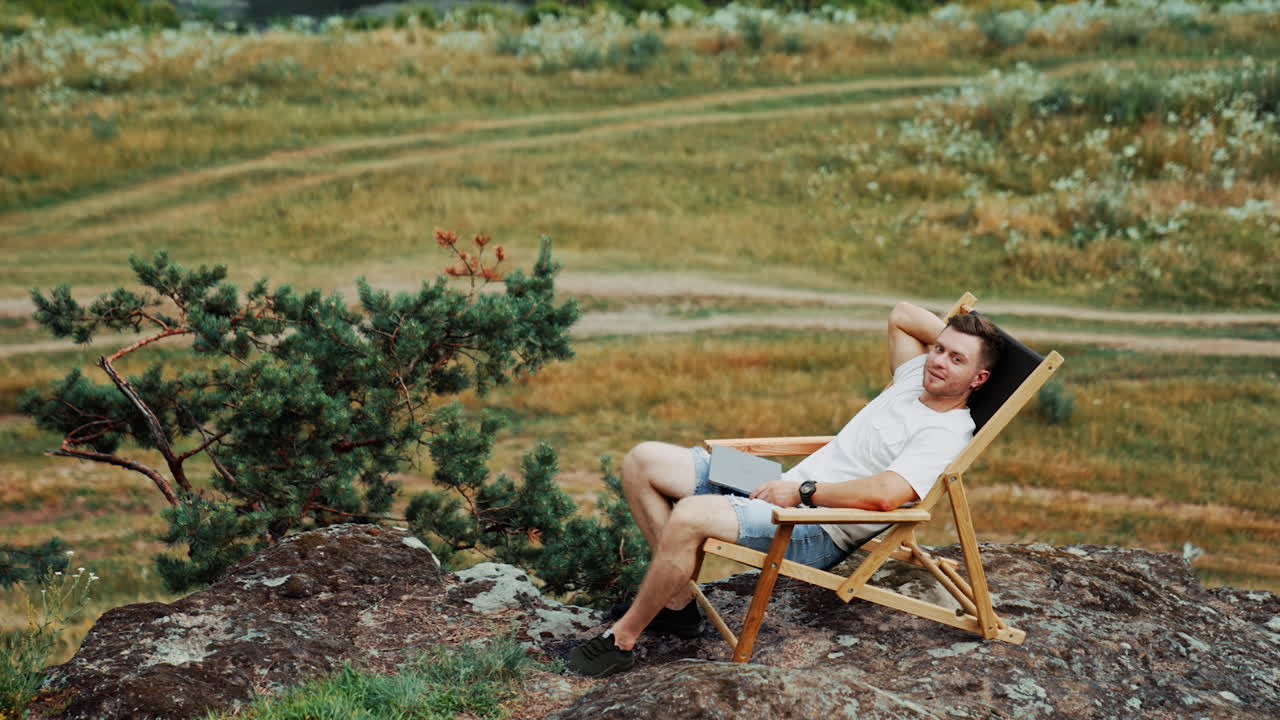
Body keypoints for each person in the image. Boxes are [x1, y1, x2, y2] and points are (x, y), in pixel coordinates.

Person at [565, 301, 1005, 677]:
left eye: (957, 360)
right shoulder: (915, 378)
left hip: (814, 522)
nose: (939, 361)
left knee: (691, 515)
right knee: (644, 460)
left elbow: (887, 495)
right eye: (940, 349)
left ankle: (622, 639)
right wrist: (964, 340)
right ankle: (677, 606)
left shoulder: (947, 431)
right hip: (782, 484)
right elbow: (902, 314)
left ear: (979, 380)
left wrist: (803, 493)